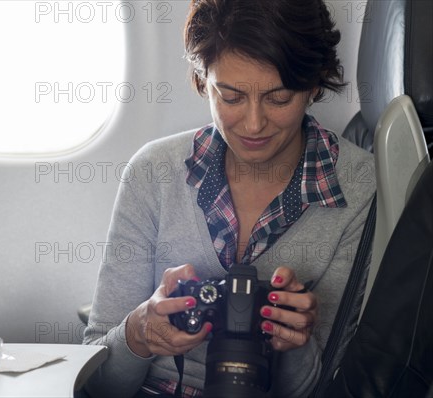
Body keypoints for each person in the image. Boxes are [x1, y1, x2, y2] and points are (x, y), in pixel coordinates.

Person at [83, 0, 376, 397]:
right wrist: (139, 333)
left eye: (279, 98)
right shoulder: (154, 170)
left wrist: (296, 342)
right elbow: (97, 385)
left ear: (313, 85)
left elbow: (317, 389)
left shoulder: (361, 187)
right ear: (203, 81)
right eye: (231, 97)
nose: (254, 124)